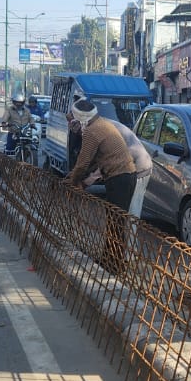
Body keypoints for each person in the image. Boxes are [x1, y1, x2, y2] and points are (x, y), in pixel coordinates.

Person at [65, 99, 137, 270]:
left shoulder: (92, 131)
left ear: (81, 119)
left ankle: (114, 263)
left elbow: (83, 163)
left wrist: (72, 181)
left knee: (115, 222)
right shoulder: (101, 123)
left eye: (74, 120)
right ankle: (109, 259)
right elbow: (92, 163)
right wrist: (76, 177)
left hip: (120, 177)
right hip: (125, 175)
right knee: (115, 220)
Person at [0, 88, 34, 153]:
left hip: (24, 132)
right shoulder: (9, 110)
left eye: (20, 103)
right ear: (14, 102)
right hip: (14, 132)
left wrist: (32, 124)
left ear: (23, 103)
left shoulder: (27, 110)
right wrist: (4, 123)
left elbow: (31, 118)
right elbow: (5, 116)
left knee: (32, 144)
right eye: (17, 103)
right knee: (9, 149)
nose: (18, 104)